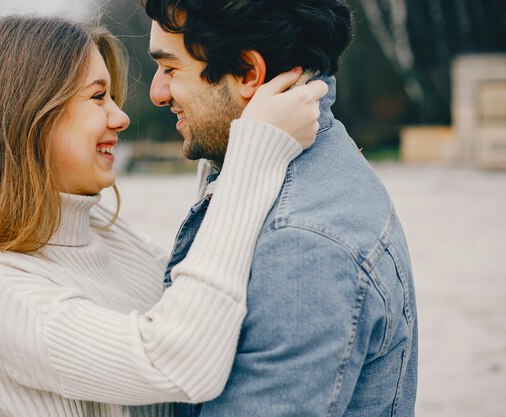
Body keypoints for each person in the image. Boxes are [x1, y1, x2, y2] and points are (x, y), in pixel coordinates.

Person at [0, 15, 328, 417]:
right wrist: (252, 156)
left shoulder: (106, 234)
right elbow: (181, 362)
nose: (121, 117)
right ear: (25, 117)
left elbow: (210, 300)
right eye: (98, 97)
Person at [143, 0, 418, 416]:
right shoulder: (316, 164)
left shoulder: (302, 245)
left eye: (170, 69)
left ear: (248, 73)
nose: (157, 93)